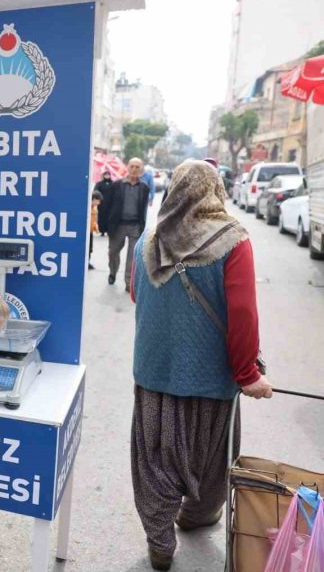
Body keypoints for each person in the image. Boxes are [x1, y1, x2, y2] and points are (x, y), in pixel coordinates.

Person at [128, 160, 273, 571]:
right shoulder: (232, 241)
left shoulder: (147, 241)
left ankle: (160, 541)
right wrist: (248, 375)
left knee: (155, 460)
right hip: (212, 382)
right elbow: (243, 314)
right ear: (216, 190)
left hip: (155, 374)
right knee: (211, 461)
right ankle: (195, 515)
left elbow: (137, 295)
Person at [106, 158, 150, 291]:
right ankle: (113, 272)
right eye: (132, 166)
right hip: (118, 225)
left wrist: (143, 226)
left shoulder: (144, 188)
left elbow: (144, 209)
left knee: (133, 257)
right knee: (113, 252)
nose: (134, 169)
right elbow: (108, 205)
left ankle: (128, 282)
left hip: (135, 226)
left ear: (141, 170)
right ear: (127, 167)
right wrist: (106, 225)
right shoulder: (117, 185)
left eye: (137, 167)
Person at [95, 170, 115, 235]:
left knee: (110, 218)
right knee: (101, 217)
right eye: (106, 175)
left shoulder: (113, 183)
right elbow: (96, 192)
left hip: (110, 204)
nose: (107, 176)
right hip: (102, 204)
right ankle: (102, 231)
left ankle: (109, 230)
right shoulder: (99, 184)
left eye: (108, 175)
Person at [89, 190, 102, 270]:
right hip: (86, 232)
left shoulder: (94, 208)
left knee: (90, 248)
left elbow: (94, 220)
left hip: (90, 231)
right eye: (98, 200)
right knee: (87, 248)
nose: (99, 203)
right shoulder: (87, 208)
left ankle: (88, 261)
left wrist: (96, 227)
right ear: (93, 199)